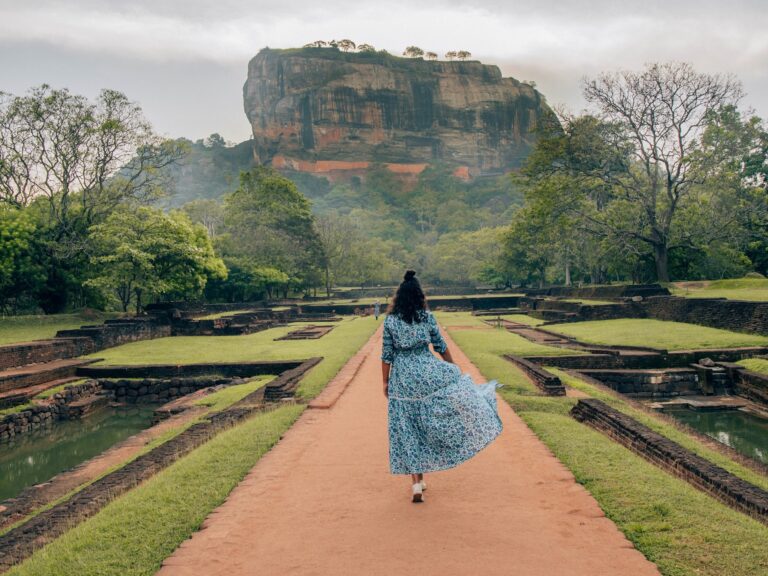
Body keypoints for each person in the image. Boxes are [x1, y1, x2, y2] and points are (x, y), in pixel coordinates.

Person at [381, 270, 502, 503]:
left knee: (407, 427)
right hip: (427, 372)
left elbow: (386, 355)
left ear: (399, 297)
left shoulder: (391, 321)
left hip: (403, 379)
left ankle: (416, 483)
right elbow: (440, 345)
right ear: (419, 296)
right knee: (425, 423)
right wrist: (454, 370)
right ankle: (421, 476)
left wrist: (385, 381)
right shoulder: (427, 318)